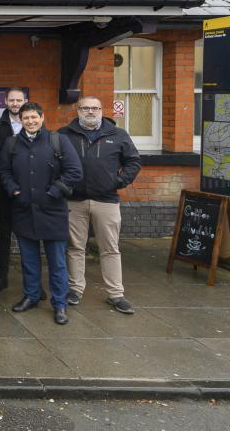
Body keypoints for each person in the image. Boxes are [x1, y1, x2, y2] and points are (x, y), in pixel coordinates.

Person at [0, 102, 83, 325]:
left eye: (34, 117)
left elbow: (74, 171)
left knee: (57, 262)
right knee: (29, 260)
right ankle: (32, 295)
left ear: (42, 117)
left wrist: (55, 191)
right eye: (26, 118)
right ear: (21, 120)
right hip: (24, 210)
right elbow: (4, 171)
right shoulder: (12, 143)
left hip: (53, 211)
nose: (30, 121)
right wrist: (13, 189)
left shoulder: (58, 140)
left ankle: (60, 304)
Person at [60, 95, 142, 314]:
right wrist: (62, 187)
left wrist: (118, 181)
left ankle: (116, 294)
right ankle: (75, 289)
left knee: (110, 249)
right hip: (74, 201)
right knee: (75, 247)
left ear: (101, 110)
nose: (90, 112)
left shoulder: (117, 134)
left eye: (94, 108)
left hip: (106, 201)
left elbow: (133, 161)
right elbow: (54, 163)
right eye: (85, 108)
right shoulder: (63, 135)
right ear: (77, 110)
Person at [0, 87, 27, 293]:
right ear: (5, 101)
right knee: (2, 236)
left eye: (19, 100)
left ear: (25, 101)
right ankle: (1, 277)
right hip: (2, 191)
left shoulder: (34, 124)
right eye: (12, 100)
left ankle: (33, 283)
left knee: (29, 237)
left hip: (29, 191)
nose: (15, 103)